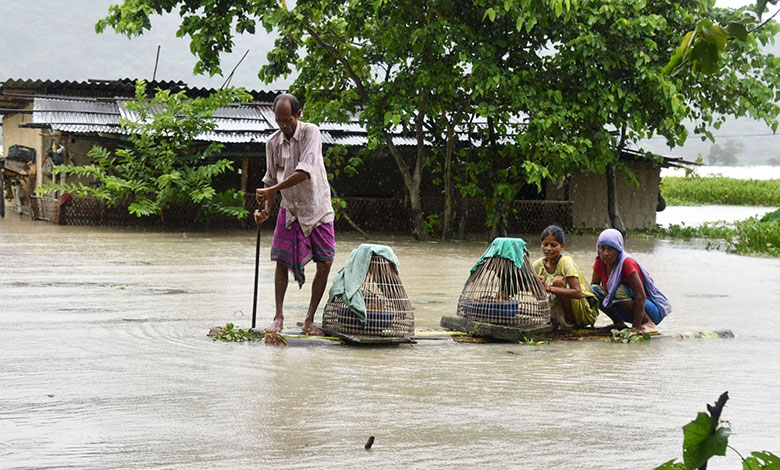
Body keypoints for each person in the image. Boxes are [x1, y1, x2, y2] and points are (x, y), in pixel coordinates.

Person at [254, 93, 335, 336]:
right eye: (278, 121)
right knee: (281, 260)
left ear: (298, 115)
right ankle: (278, 317)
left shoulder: (311, 133)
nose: (283, 126)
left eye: (287, 120)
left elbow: (304, 172)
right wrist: (265, 209)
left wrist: (272, 190)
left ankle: (310, 319)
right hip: (290, 209)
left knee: (325, 262)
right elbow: (270, 177)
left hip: (316, 207)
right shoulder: (272, 143)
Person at [590, 229, 671, 334]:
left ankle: (648, 323)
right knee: (593, 291)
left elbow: (641, 296)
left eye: (610, 249)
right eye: (602, 248)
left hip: (648, 310)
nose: (605, 253)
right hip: (628, 311)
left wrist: (635, 329)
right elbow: (593, 286)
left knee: (617, 290)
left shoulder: (626, 263)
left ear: (619, 249)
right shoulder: (599, 262)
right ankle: (618, 323)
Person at [532, 225, 599, 330]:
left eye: (553, 245)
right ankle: (555, 320)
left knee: (558, 281)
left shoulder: (565, 262)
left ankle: (570, 321)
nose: (548, 249)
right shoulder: (538, 265)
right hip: (556, 308)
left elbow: (577, 293)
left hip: (582, 310)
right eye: (545, 244)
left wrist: (548, 288)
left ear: (562, 246)